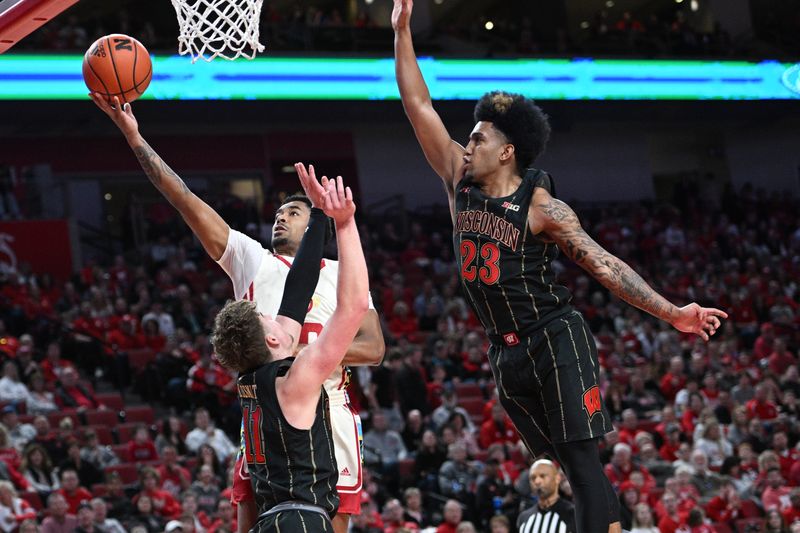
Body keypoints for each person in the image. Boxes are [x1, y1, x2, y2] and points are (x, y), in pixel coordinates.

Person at [391, 2, 727, 532]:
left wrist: (673, 314)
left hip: (553, 336)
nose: (469, 142)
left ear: (508, 152)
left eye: (480, 137)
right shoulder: (458, 178)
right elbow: (416, 103)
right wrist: (402, 30)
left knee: (582, 460)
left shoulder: (541, 206)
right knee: (565, 464)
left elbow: (604, 265)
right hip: (504, 351)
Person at [90, 93, 385, 533]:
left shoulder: (342, 270)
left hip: (326, 403)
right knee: (255, 516)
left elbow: (375, 348)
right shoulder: (251, 257)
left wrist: (310, 353)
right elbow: (185, 199)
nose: (281, 219)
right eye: (279, 213)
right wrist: (136, 139)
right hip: (270, 404)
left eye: (294, 211)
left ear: (312, 222)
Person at [211, 172, 370, 531]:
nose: (276, 315)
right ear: (272, 340)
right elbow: (354, 305)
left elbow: (297, 292)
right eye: (268, 319)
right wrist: (344, 224)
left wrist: (318, 214)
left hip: (270, 518)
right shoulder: (295, 381)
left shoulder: (251, 381)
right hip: (301, 520)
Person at [517, 460, 576, 533]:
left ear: (557, 478)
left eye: (542, 476)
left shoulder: (573, 514)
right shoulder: (524, 518)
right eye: (533, 478)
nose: (537, 481)